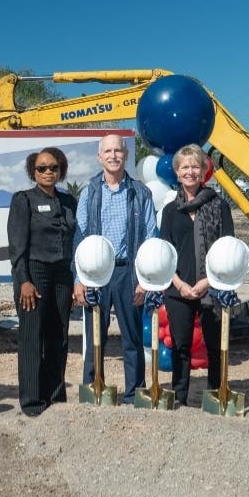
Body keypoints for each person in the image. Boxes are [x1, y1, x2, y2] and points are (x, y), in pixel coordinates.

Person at [72, 133, 157, 404]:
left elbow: (151, 238)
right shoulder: (89, 193)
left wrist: (145, 279)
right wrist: (79, 278)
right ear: (100, 157)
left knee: (131, 338)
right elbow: (79, 237)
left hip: (127, 273)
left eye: (118, 151)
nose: (113, 155)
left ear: (126, 155)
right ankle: (94, 390)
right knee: (95, 336)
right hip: (95, 273)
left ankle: (134, 394)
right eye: (107, 151)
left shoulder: (140, 193)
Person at [158, 144, 235, 407]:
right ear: (177, 173)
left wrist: (206, 282)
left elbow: (228, 249)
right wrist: (179, 284)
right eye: (184, 167)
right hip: (177, 288)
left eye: (195, 166)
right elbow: (164, 252)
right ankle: (179, 396)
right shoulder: (170, 211)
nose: (190, 172)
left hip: (211, 287)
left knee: (215, 347)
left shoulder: (219, 205)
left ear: (204, 171)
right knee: (181, 347)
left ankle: (215, 395)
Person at [7, 148, 77, 416]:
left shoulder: (69, 201)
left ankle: (56, 399)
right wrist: (23, 280)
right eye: (42, 168)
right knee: (32, 337)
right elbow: (16, 246)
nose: (48, 172)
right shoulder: (23, 200)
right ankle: (33, 402)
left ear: (61, 170)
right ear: (32, 172)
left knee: (58, 337)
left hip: (62, 275)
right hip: (34, 275)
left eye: (54, 167)